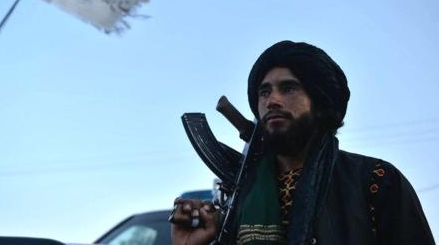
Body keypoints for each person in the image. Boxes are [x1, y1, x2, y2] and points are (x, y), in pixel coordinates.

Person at [171, 41, 435, 245]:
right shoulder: (241, 195)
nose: (271, 100)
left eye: (288, 89)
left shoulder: (375, 180)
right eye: (264, 92)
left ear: (320, 105)